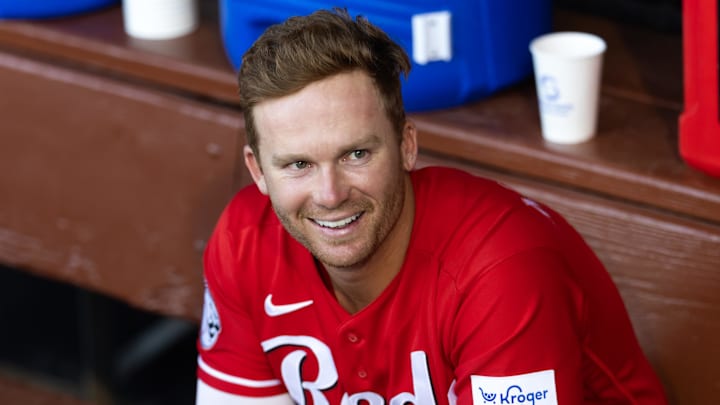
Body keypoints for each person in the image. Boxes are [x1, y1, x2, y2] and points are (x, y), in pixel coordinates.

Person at [195, 8, 668, 405]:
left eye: (356, 154)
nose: (330, 193)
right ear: (258, 172)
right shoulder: (244, 241)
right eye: (298, 164)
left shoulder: (503, 266)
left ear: (406, 146)